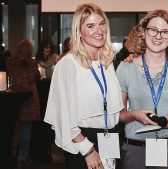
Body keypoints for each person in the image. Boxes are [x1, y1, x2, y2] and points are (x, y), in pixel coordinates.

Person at [44, 3, 123, 169]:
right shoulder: (68, 64)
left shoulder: (106, 63)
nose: (99, 31)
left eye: (102, 24)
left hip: (109, 138)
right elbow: (63, 115)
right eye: (90, 26)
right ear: (79, 32)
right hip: (84, 142)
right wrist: (87, 150)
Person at [116, 9, 168, 169]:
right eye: (153, 30)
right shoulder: (125, 68)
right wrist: (134, 115)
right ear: (143, 33)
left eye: (165, 32)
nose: (158, 36)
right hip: (136, 150)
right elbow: (120, 115)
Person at [6, 39, 41, 169]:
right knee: (26, 130)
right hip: (29, 99)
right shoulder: (31, 64)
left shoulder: (10, 62)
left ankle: (10, 155)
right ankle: (23, 156)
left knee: (11, 129)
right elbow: (36, 76)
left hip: (12, 98)